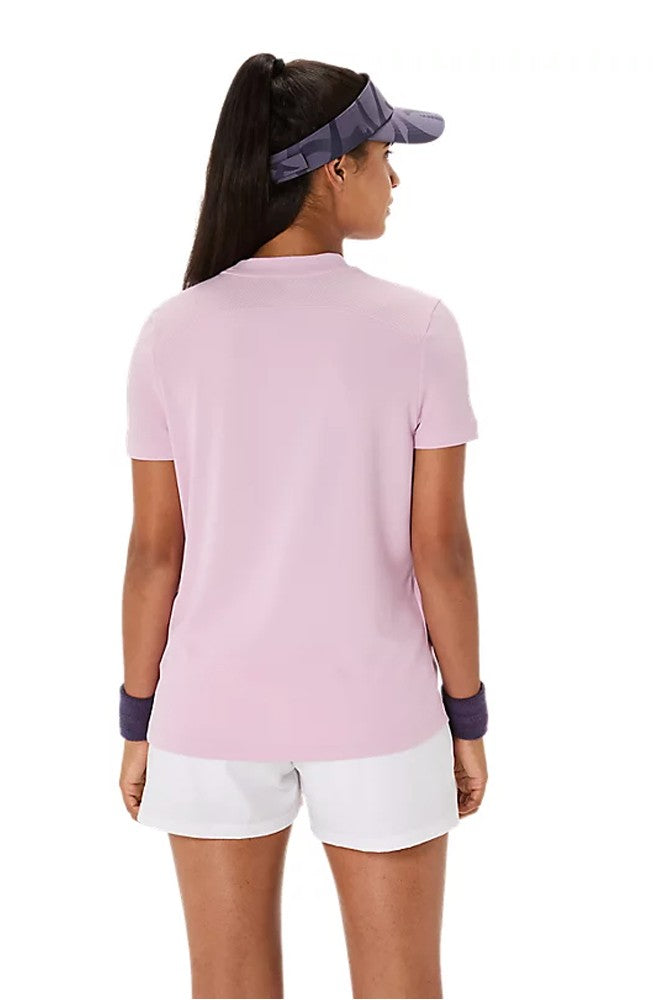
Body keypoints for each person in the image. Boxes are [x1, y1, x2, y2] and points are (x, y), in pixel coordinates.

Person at [118, 53, 489, 999]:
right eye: (385, 156)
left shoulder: (170, 333)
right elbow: (440, 552)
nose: (395, 179)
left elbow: (156, 552)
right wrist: (467, 715)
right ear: (335, 170)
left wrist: (137, 718)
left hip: (209, 712)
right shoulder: (419, 329)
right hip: (378, 712)